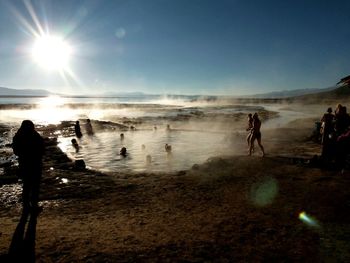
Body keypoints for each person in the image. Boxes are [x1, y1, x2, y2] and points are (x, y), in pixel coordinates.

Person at [12, 120, 45, 214]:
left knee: (28, 185)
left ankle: (28, 206)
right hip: (33, 163)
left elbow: (16, 151)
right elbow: (42, 147)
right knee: (33, 185)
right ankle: (32, 205)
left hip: (26, 164)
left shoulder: (18, 136)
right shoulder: (34, 135)